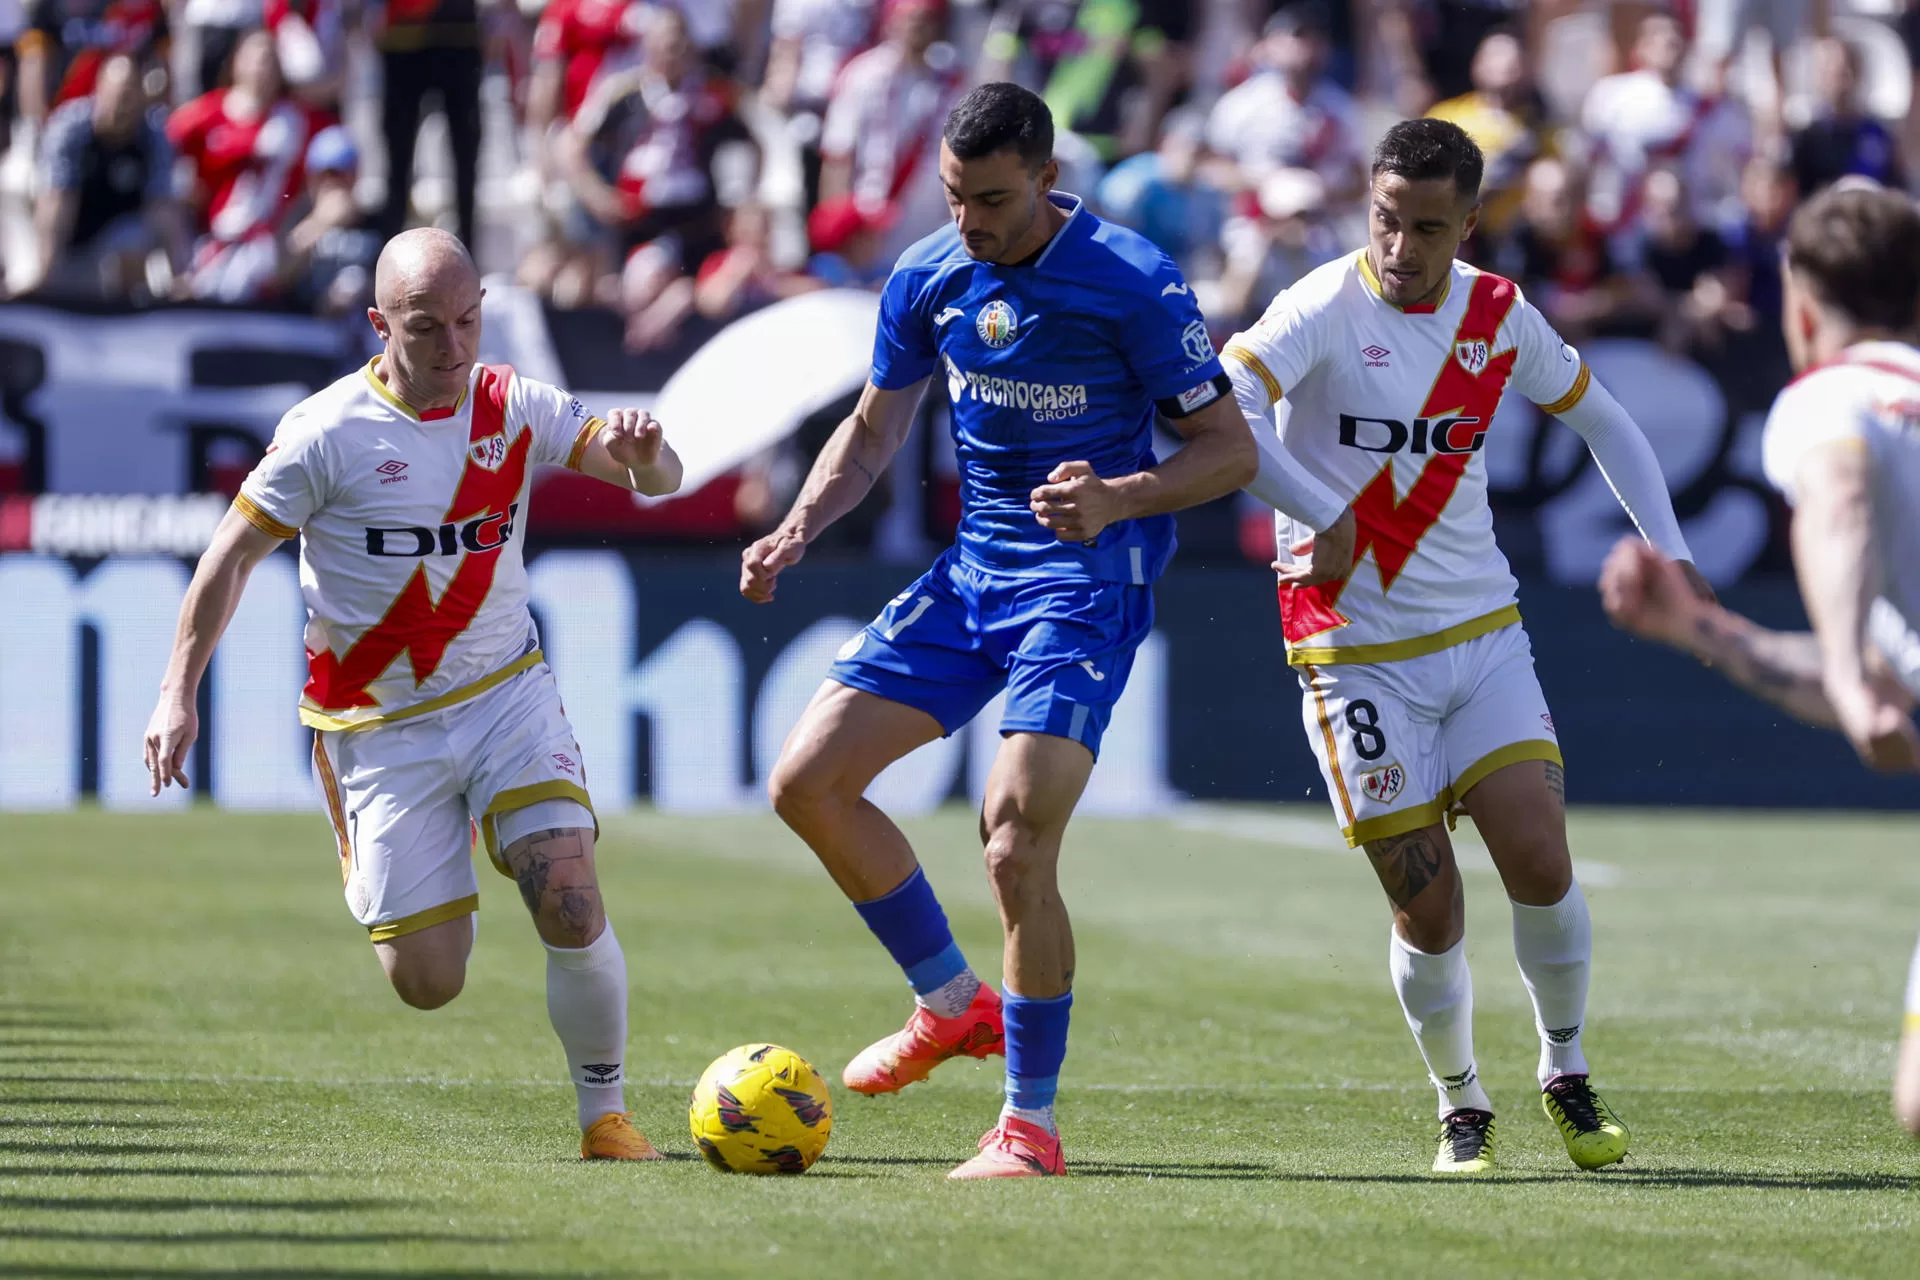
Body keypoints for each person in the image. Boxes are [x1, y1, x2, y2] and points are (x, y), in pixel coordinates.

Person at [741, 83, 1257, 1179]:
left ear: (1048, 180)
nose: (969, 219)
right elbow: (874, 431)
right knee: (806, 781)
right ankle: (949, 1001)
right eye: (954, 195)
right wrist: (796, 529)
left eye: (992, 199)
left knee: (1014, 836)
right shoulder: (930, 272)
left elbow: (1228, 451)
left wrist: (1118, 495)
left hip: (1083, 584)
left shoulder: (1132, 282)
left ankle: (1029, 1122)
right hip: (974, 572)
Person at [1222, 118, 1706, 1175]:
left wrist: (1665, 551)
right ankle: (1460, 1101)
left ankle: (1566, 1071)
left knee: (1540, 856)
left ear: (1471, 225)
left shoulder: (1500, 313)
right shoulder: (1321, 307)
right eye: (1386, 220)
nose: (1400, 248)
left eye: (1427, 228)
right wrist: (1319, 509)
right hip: (1351, 647)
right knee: (1427, 903)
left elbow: (1608, 423)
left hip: (1483, 632)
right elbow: (1228, 408)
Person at [141, 228, 685, 1160]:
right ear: (379, 324)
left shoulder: (514, 404)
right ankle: (410, 844)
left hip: (506, 692)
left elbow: (661, 482)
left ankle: (607, 1117)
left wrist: (646, 455)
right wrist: (173, 694)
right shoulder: (324, 433)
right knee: (429, 981)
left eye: (468, 321)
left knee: (571, 899)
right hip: (377, 725)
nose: (454, 348)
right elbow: (227, 561)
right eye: (427, 328)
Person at [1597, 181, 1920, 1135]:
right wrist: (1708, 632)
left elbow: (1839, 499)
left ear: (1805, 307)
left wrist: (1856, 687)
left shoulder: (1832, 398)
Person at [30, 50, 187, 300]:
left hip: (117, 237)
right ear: (99, 91)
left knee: (132, 241)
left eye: (129, 96)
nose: (121, 106)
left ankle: (130, 310)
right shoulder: (70, 130)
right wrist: (45, 273)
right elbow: (56, 204)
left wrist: (180, 275)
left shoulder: (152, 136)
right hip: (69, 239)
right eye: (116, 96)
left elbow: (163, 206)